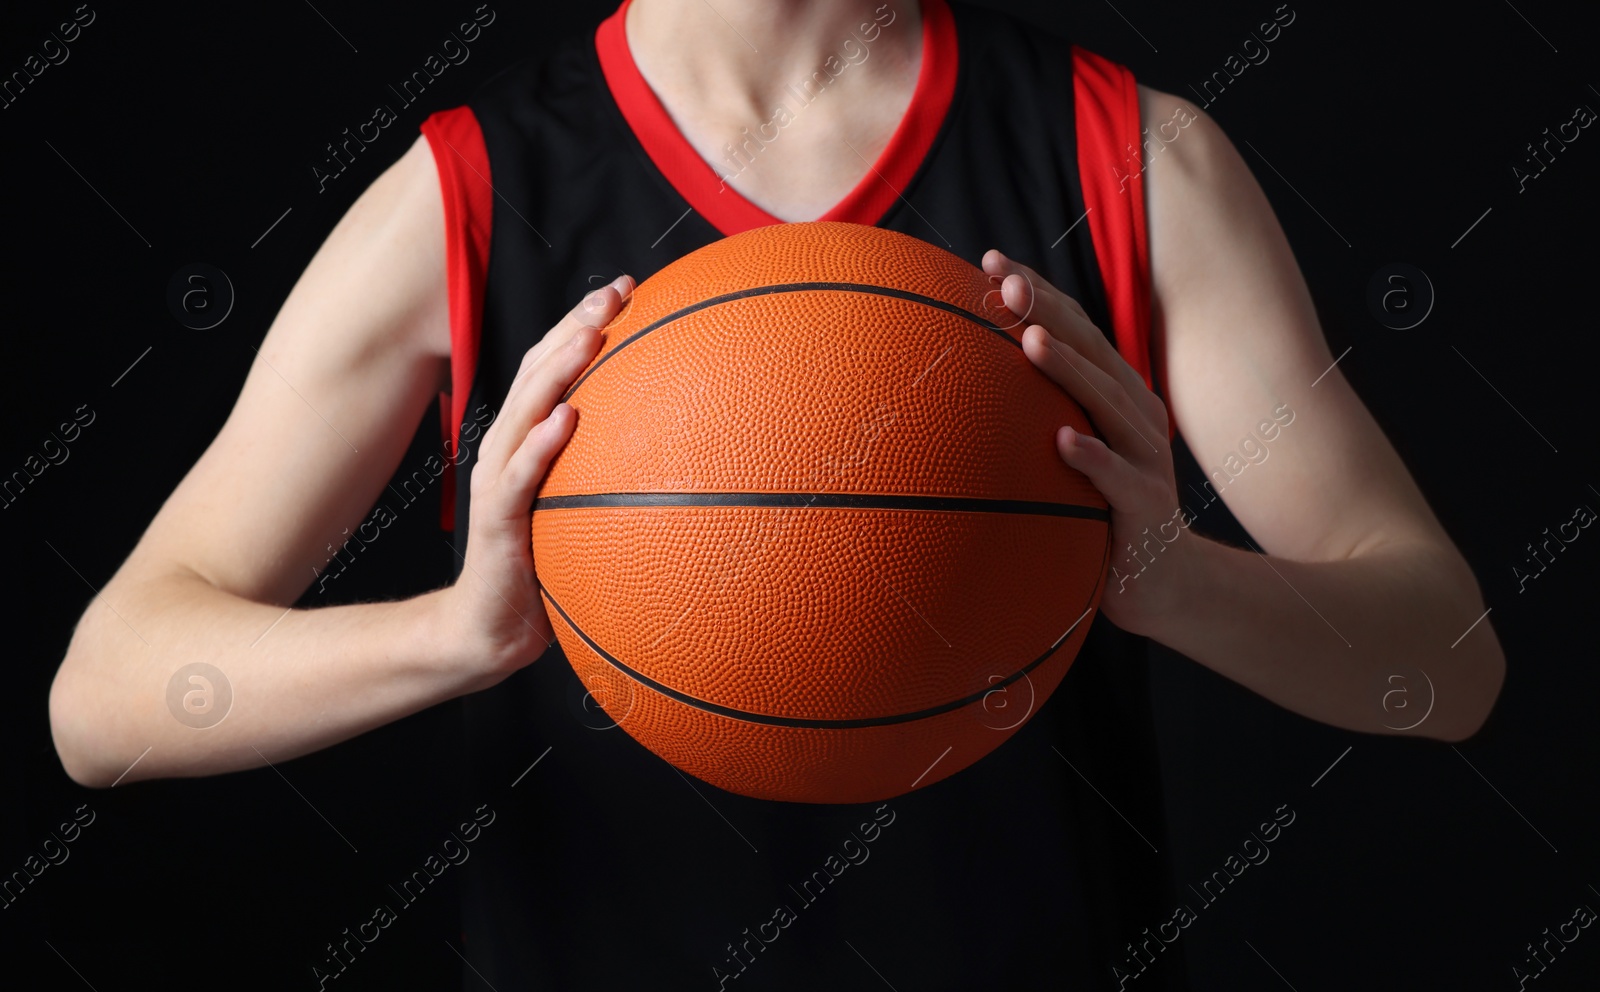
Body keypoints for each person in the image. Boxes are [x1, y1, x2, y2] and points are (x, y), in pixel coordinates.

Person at [48, 0, 1504, 987]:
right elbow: (107, 701)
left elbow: (1447, 666)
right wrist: (459, 633)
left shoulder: (1132, 159)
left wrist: (1181, 580)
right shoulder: (470, 193)